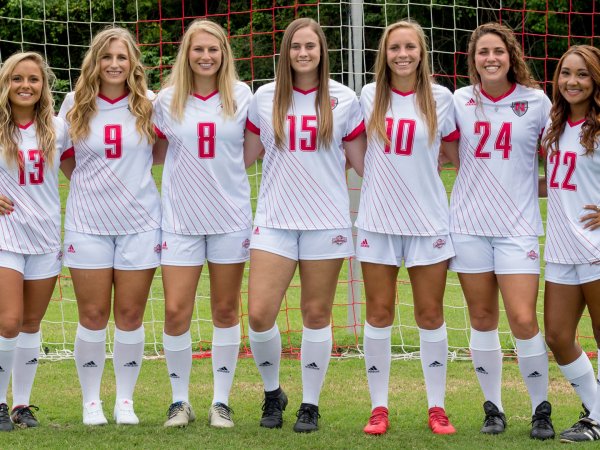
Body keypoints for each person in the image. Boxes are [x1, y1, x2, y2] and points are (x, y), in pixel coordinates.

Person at [244, 17, 366, 433]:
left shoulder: (343, 98)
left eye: (310, 46)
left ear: (322, 51)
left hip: (326, 221)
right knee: (259, 314)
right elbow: (241, 155)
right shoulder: (264, 98)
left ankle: (310, 405)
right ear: (285, 51)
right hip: (274, 220)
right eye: (296, 46)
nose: (303, 53)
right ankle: (272, 393)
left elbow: (363, 162)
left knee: (316, 313)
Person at [445, 22, 554, 439]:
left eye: (498, 51)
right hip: (469, 227)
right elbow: (447, 154)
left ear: (511, 56)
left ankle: (540, 408)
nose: (490, 59)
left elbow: (555, 162)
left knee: (524, 319)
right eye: (482, 53)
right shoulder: (459, 101)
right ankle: (493, 408)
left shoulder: (537, 102)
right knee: (482, 318)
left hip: (518, 229)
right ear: (473, 60)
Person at [356, 20, 459, 436]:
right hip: (378, 221)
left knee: (430, 314)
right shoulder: (368, 96)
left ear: (421, 52)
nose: (402, 54)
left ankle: (437, 407)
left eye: (410, 47)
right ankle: (379, 408)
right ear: (385, 53)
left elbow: (452, 152)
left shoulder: (441, 98)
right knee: (379, 313)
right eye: (395, 47)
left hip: (427, 221)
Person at [152, 19, 252, 428]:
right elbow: (154, 153)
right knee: (176, 310)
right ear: (186, 54)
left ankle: (220, 402)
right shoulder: (165, 99)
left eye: (213, 49)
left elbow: (251, 151)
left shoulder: (243, 96)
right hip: (179, 220)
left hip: (230, 219)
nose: (206, 56)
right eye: (198, 50)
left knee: (226, 309)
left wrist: (219, 180)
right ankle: (179, 401)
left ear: (224, 53)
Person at [59, 27, 161, 425]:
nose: (115, 64)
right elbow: (66, 160)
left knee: (131, 314)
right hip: (88, 224)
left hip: (140, 223)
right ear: (95, 62)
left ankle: (125, 402)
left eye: (122, 57)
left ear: (133, 62)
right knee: (93, 313)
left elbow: (164, 152)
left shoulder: (151, 105)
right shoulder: (75, 102)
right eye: (107, 57)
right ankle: (90, 402)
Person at [0, 51, 74, 430]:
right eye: (17, 78)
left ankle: (22, 406)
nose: (25, 86)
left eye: (33, 79)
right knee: (8, 321)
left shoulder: (58, 128)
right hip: (6, 234)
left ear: (44, 85)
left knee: (31, 323)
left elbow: (84, 171)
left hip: (45, 235)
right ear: (5, 84)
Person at [541, 45, 600, 443]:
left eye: (582, 74)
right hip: (561, 246)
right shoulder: (555, 125)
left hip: (597, 245)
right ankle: (596, 410)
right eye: (566, 74)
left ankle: (596, 417)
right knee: (558, 336)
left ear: (595, 80)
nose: (572, 82)